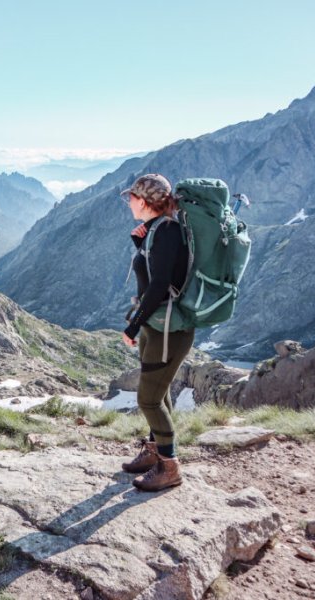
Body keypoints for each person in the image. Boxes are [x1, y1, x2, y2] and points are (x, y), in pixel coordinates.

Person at [119, 174, 194, 492]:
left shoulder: (167, 232)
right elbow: (151, 278)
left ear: (145, 201)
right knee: (159, 393)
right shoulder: (155, 232)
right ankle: (153, 453)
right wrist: (140, 244)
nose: (129, 203)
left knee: (148, 400)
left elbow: (160, 286)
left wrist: (132, 325)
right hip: (157, 326)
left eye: (132, 197)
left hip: (169, 330)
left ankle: (170, 466)